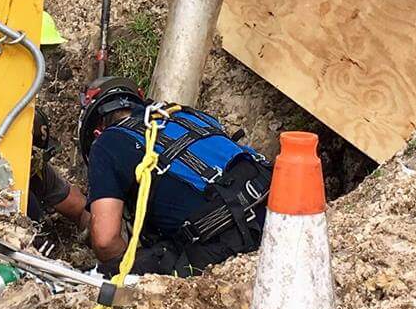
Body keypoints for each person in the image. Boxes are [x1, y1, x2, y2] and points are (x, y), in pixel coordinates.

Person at [75, 78, 270, 278]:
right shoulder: (187, 114)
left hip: (225, 242)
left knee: (100, 277)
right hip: (273, 210)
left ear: (96, 130)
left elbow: (105, 241)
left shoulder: (106, 144)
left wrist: (127, 265)